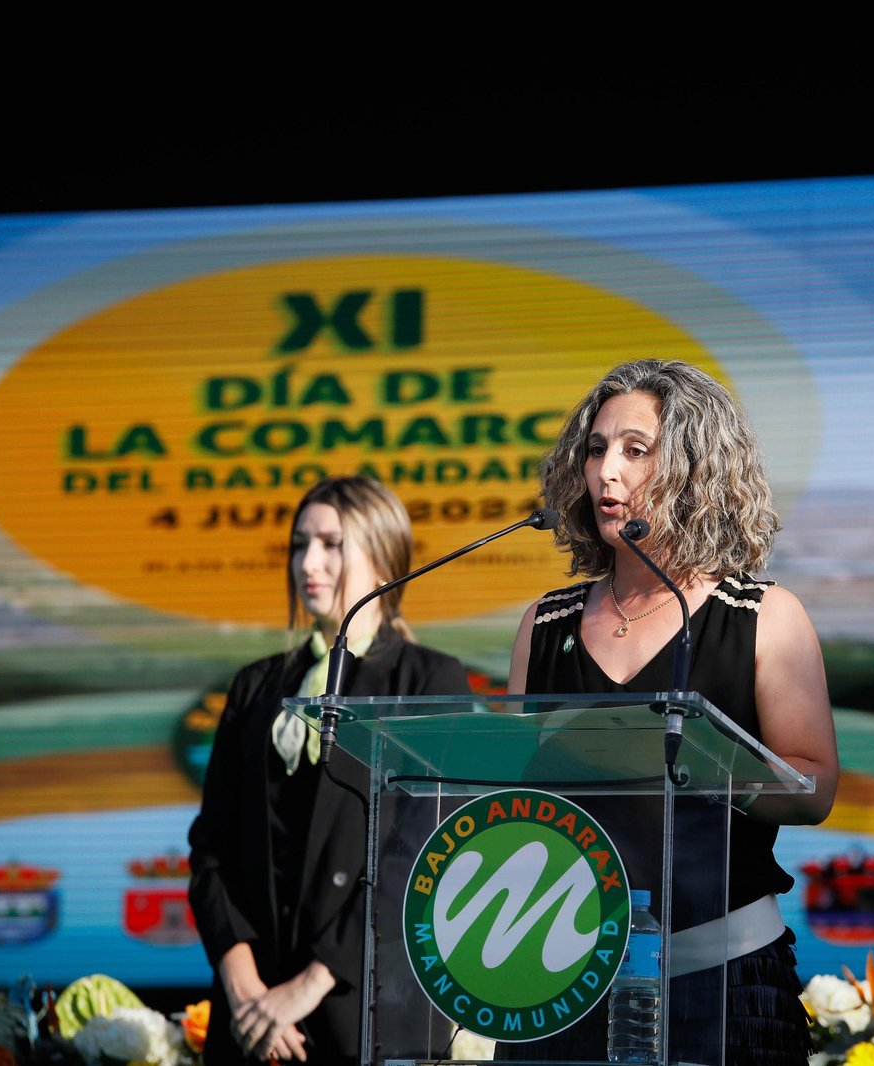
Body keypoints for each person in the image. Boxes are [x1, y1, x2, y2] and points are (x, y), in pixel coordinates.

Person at [505, 359, 840, 1066]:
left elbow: (814, 789)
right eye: (596, 450)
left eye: (635, 450)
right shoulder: (545, 622)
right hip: (560, 978)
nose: (606, 473)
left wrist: (708, 769)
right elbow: (517, 798)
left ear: (693, 469)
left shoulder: (763, 618)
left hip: (723, 982)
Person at [189, 476, 470, 1066]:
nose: (308, 563)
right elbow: (211, 850)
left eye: (331, 543)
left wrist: (311, 984)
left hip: (364, 1011)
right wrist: (247, 994)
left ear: (385, 555)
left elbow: (422, 857)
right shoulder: (255, 685)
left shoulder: (429, 684)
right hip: (251, 1026)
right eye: (298, 545)